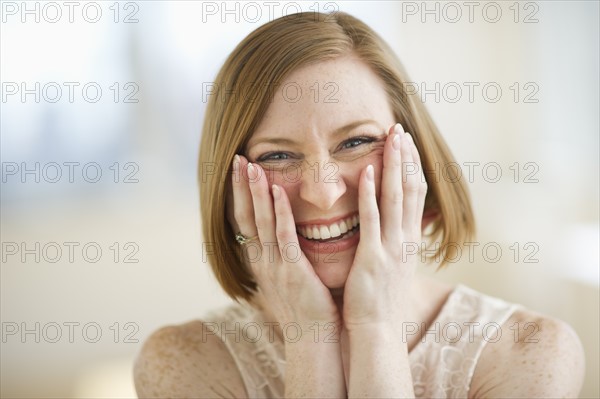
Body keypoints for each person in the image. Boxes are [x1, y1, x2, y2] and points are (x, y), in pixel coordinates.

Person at [133, 11, 585, 398]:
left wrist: (377, 327)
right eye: (277, 155)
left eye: (355, 141)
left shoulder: (530, 352)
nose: (323, 192)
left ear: (417, 160)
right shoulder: (184, 364)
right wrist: (312, 340)